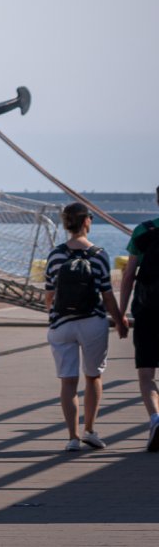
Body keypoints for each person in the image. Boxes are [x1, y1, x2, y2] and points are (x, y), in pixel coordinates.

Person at [45, 202, 129, 451]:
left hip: (62, 324)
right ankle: (90, 430)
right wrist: (120, 319)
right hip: (92, 322)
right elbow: (107, 295)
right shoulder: (99, 254)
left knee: (68, 382)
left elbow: (49, 295)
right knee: (93, 377)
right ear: (86, 222)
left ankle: (72, 437)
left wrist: (55, 315)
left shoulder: (56, 254)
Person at [119, 186, 159, 452]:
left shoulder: (143, 231)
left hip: (147, 310)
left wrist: (120, 312)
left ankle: (156, 418)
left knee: (146, 373)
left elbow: (129, 275)